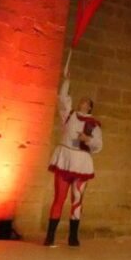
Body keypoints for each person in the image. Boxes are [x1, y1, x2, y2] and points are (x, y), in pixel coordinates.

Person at [44, 59, 103, 247]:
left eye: (86, 102)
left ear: (90, 107)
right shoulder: (68, 115)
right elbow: (63, 100)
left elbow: (99, 144)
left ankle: (73, 236)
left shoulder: (94, 124)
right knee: (58, 198)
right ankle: (50, 236)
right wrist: (67, 81)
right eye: (81, 101)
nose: (83, 102)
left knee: (77, 199)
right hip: (65, 159)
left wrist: (88, 140)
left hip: (81, 161)